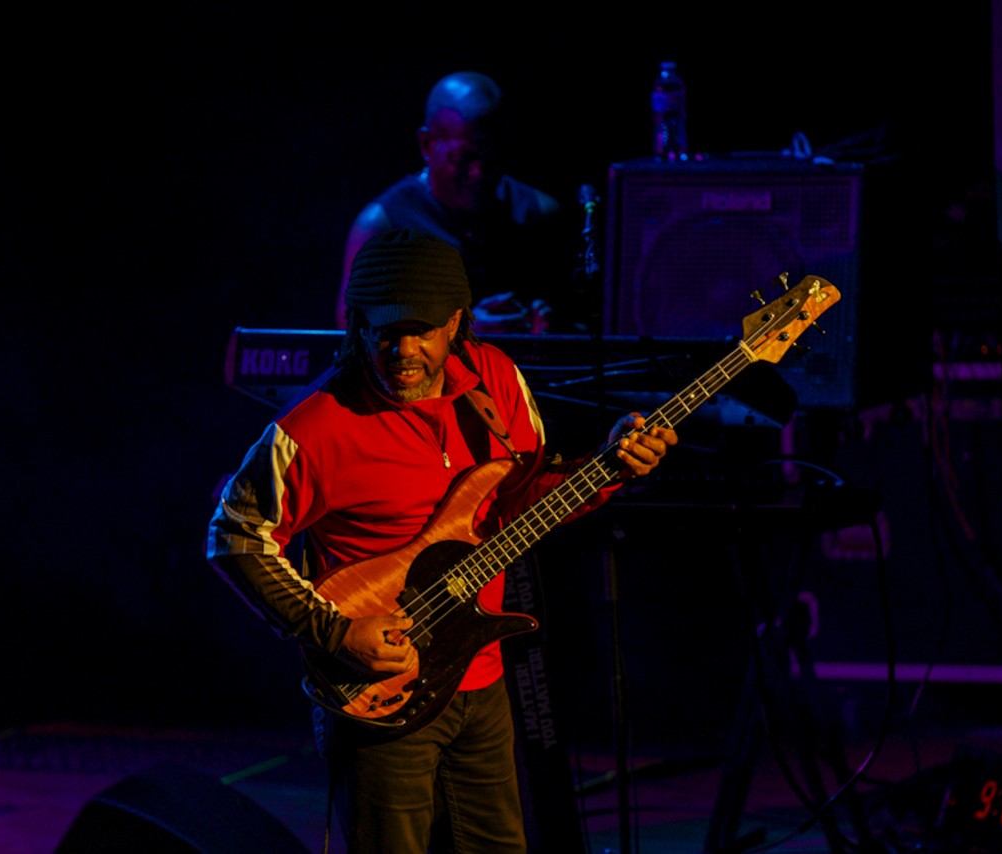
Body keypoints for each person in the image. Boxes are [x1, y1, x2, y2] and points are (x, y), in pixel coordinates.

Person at [208, 228, 677, 852]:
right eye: (384, 331)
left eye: (422, 331)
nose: (402, 350)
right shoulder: (315, 427)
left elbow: (521, 504)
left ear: (457, 321)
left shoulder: (496, 380)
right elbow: (233, 537)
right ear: (358, 325)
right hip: (379, 694)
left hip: (479, 680)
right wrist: (336, 633)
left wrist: (609, 471)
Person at [335, 70, 586, 335]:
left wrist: (550, 326)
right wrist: (460, 331)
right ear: (427, 145)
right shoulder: (383, 228)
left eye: (491, 157)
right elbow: (354, 336)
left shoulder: (539, 214)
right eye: (463, 157)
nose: (479, 172)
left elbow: (585, 328)